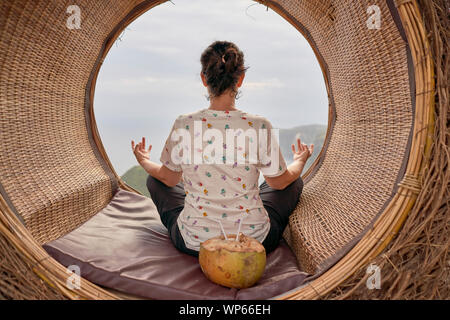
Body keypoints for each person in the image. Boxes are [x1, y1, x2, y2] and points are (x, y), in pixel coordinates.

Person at [131, 40, 313, 257]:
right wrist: (300, 160)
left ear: (203, 79)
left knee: (155, 181)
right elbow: (279, 182)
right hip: (253, 242)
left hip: (194, 242)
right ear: (241, 79)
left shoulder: (184, 123)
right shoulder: (259, 125)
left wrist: (144, 161)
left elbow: (168, 179)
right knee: (293, 182)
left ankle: (198, 226)